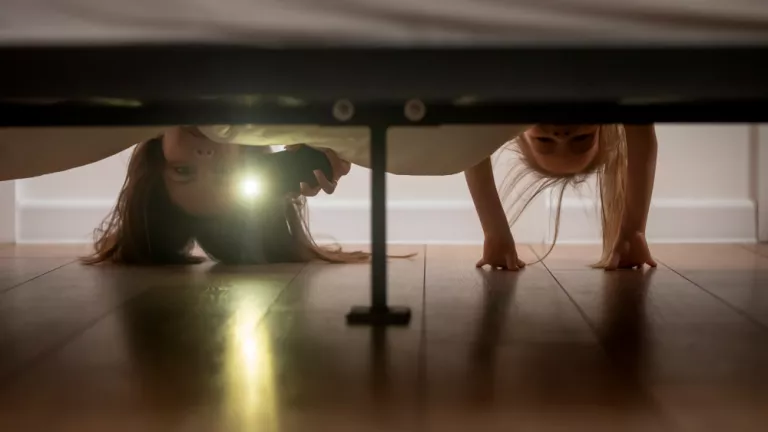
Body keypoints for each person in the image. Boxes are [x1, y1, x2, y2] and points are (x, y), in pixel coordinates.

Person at [0, 123, 658, 270]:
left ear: (149, 162)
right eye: (222, 180)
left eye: (183, 175)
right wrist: (330, 149)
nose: (202, 162)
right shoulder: (276, 127)